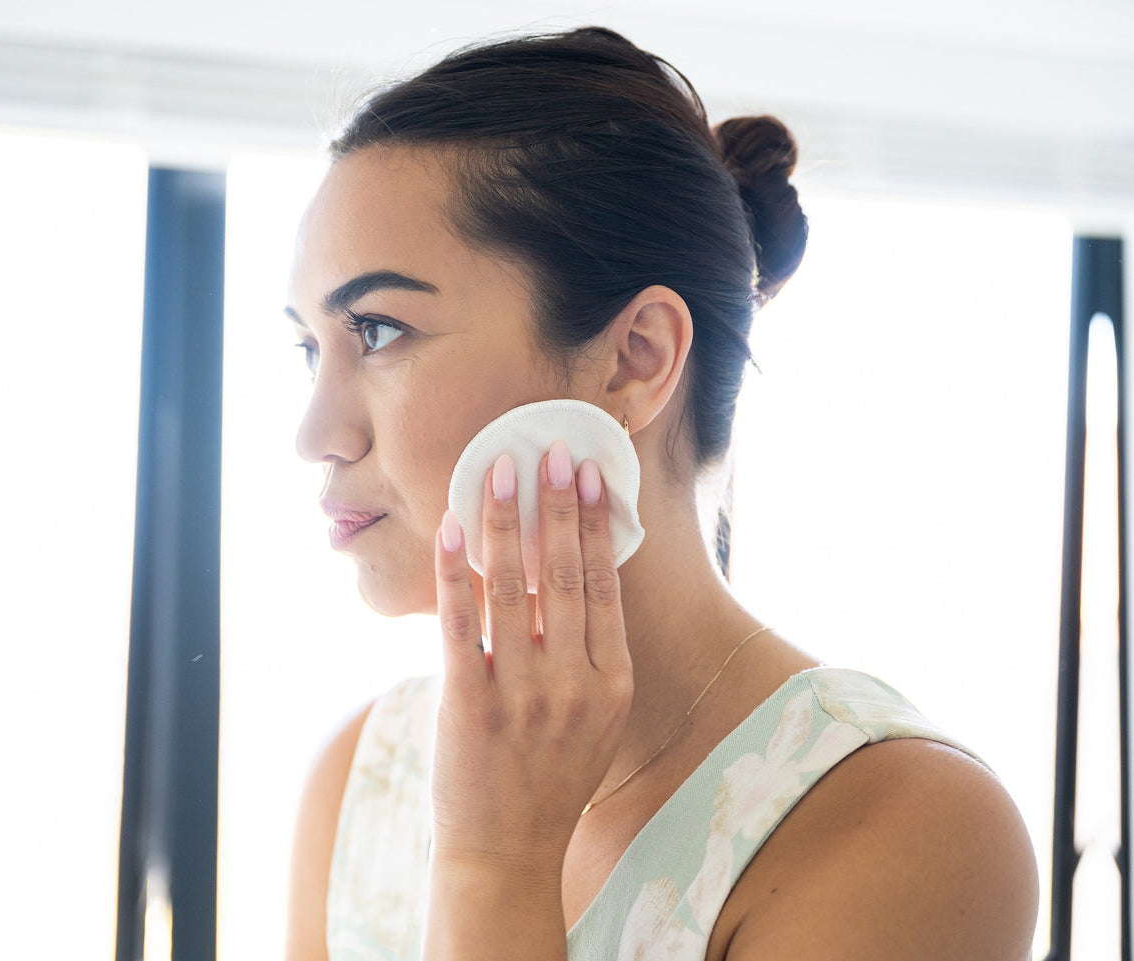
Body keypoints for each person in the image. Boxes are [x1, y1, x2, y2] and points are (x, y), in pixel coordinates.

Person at [282, 25, 1038, 961]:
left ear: (636, 359)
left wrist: (493, 863)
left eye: (381, 329)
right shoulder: (363, 775)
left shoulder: (906, 826)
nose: (314, 433)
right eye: (310, 347)